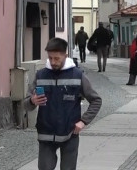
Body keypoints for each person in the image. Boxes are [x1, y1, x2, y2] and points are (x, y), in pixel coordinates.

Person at [24, 38, 102, 170]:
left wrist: (83, 121)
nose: (53, 62)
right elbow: (26, 104)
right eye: (50, 58)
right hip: (45, 133)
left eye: (57, 58)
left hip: (70, 133)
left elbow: (96, 100)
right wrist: (32, 101)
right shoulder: (41, 75)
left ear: (65, 56)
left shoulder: (77, 75)